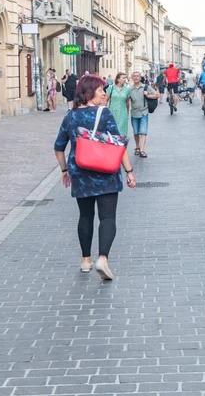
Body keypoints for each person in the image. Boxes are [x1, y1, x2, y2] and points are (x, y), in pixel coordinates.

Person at [54, 75, 136, 280]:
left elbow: (58, 148)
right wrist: (129, 172)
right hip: (106, 172)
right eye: (100, 91)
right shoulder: (105, 113)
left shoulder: (70, 116)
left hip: (80, 172)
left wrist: (64, 171)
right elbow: (119, 145)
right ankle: (103, 259)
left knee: (85, 216)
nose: (104, 94)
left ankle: (85, 260)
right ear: (90, 93)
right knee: (107, 217)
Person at [128, 71, 159, 158]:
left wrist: (148, 95)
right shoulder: (130, 89)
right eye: (134, 76)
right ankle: (137, 147)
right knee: (136, 132)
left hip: (144, 112)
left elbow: (157, 95)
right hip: (134, 113)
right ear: (132, 78)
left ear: (140, 77)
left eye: (137, 76)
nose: (136, 77)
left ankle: (142, 150)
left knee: (143, 132)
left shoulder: (146, 87)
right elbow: (127, 101)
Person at [106, 73, 130, 137]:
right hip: (112, 113)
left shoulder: (127, 90)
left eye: (125, 78)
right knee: (112, 132)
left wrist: (127, 114)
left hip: (123, 114)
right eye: (123, 78)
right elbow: (105, 100)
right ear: (118, 79)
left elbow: (127, 103)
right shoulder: (111, 88)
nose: (125, 79)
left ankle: (121, 146)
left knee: (122, 132)